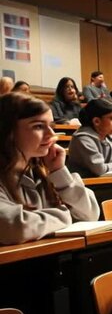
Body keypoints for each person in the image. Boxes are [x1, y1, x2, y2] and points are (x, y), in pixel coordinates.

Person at [0, 92, 99, 245]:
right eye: (38, 126)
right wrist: (64, 216)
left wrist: (59, 172)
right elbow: (13, 227)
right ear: (8, 131)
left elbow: (90, 214)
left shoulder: (43, 171)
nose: (51, 134)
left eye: (51, 126)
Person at [66, 98, 112, 177]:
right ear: (96, 121)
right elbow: (100, 169)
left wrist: (107, 167)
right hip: (87, 186)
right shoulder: (82, 139)